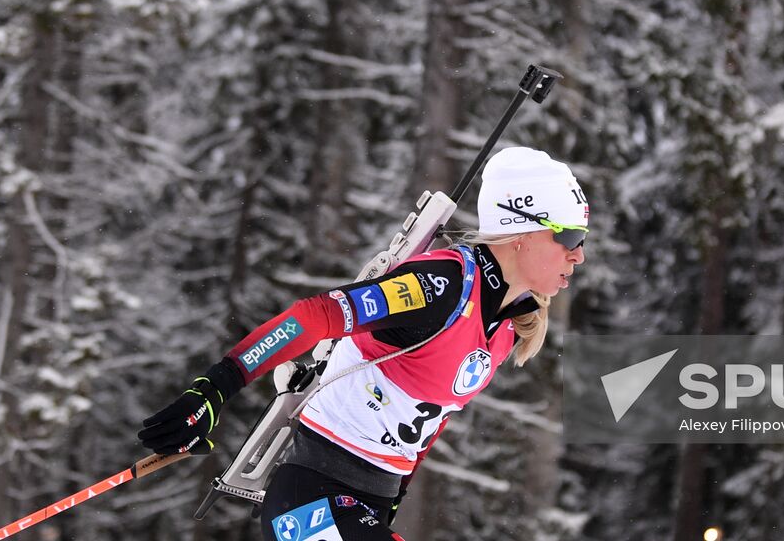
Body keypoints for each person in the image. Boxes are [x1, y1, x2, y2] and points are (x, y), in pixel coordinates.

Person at [138, 147, 589, 541]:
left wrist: (397, 496)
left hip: (366, 508)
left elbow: (430, 421)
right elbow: (313, 318)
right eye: (569, 237)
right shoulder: (440, 286)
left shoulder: (509, 326)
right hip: (309, 501)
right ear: (522, 232)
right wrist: (214, 389)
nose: (579, 255)